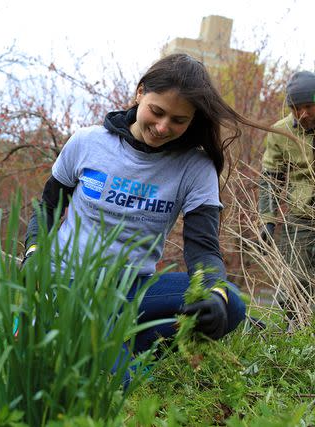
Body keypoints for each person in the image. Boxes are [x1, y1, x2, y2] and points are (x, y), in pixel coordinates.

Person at [24, 54, 285, 355]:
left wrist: (214, 293)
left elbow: (203, 249)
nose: (162, 127)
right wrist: (33, 254)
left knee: (230, 304)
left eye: (178, 120)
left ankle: (132, 345)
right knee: (114, 379)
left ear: (193, 120)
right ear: (140, 93)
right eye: (157, 112)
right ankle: (106, 346)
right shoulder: (87, 143)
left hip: (133, 289)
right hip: (69, 281)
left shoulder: (196, 168)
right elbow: (46, 209)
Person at [258, 70, 315, 324]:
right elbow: (270, 179)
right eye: (295, 108)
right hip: (301, 213)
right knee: (296, 279)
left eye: (309, 107)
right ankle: (296, 329)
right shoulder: (280, 133)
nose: (302, 115)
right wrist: (267, 220)